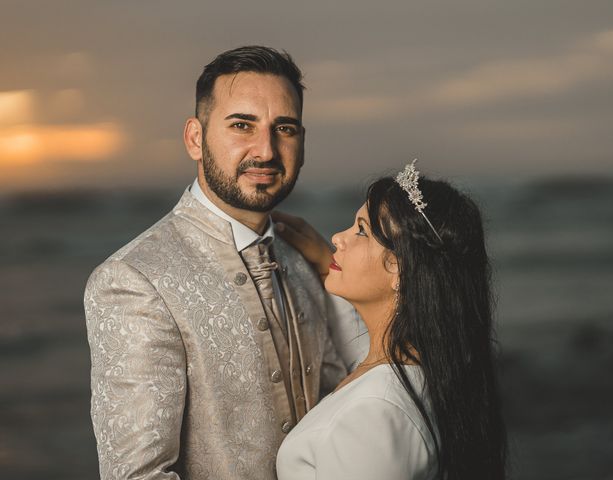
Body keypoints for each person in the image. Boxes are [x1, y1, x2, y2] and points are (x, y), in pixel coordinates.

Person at [83, 46, 367, 480]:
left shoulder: (308, 265)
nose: (266, 150)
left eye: (284, 128)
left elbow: (341, 410)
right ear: (195, 138)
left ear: (302, 143)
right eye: (242, 125)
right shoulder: (133, 280)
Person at [274, 160, 507, 479]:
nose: (338, 237)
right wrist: (325, 264)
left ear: (398, 267)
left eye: (361, 231)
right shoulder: (425, 373)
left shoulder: (374, 413)